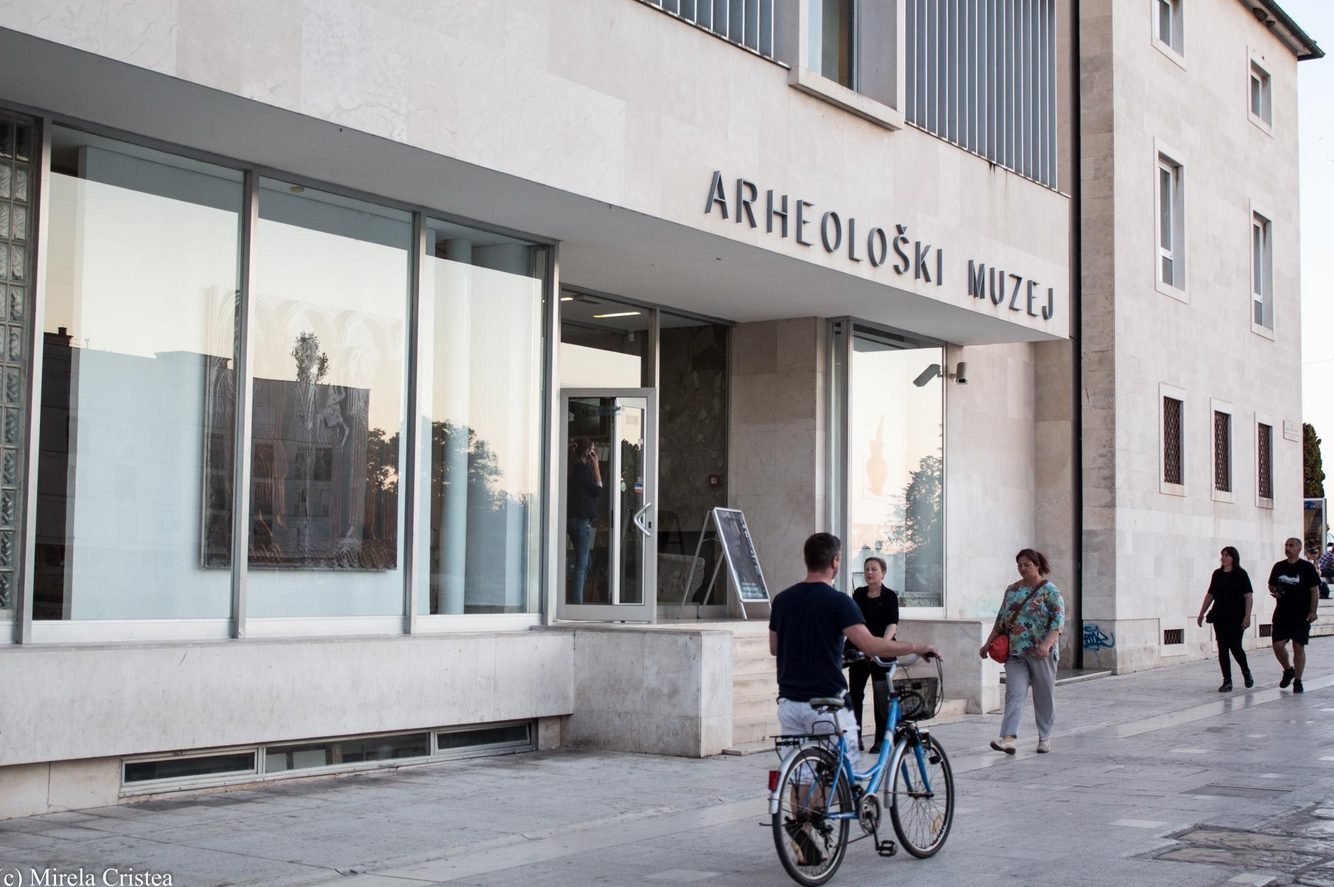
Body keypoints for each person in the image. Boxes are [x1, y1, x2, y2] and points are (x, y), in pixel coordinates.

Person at [769, 533, 938, 770]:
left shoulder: (782, 600)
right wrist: (916, 647)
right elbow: (870, 645)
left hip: (790, 702)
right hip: (827, 704)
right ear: (835, 562)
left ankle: (805, 808)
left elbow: (775, 648)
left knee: (800, 775)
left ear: (807, 559)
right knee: (838, 776)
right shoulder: (839, 601)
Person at [979, 548, 1064, 755]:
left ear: (1037, 565)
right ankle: (1008, 739)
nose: (1022, 568)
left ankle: (1044, 737)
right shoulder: (1012, 590)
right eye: (1019, 565)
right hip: (1016, 652)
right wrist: (987, 644)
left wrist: (1046, 644)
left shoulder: (1050, 591)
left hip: (1041, 653)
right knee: (1014, 694)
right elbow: (1001, 621)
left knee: (1043, 696)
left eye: (1027, 564)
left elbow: (1058, 622)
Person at [848, 556, 898, 753]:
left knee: (881, 696)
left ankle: (880, 740)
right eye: (866, 569)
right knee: (855, 696)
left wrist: (882, 646)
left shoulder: (890, 596)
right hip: (859, 650)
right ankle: (855, 737)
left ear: (883, 573)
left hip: (881, 652)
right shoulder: (858, 594)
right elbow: (853, 621)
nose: (869, 573)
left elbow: (892, 623)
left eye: (874, 569)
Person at [1195, 546, 1254, 692]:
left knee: (1235, 646)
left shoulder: (1241, 574)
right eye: (1222, 555)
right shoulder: (1217, 574)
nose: (1224, 558)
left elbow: (1248, 596)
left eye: (1227, 555)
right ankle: (1227, 680)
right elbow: (1210, 595)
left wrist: (1247, 617)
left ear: (1234, 557)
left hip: (1236, 616)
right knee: (1222, 648)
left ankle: (1246, 672)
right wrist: (1202, 612)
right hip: (1220, 615)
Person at [1267, 536, 1320, 693]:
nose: (1288, 548)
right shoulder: (1279, 566)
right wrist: (1275, 591)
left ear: (1299, 548)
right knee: (1277, 645)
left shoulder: (1306, 568)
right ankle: (1288, 670)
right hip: (1282, 613)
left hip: (1300, 614)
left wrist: (1313, 611)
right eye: (1286, 545)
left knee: (1298, 646)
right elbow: (1271, 584)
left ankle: (1298, 680)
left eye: (1291, 545)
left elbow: (1314, 591)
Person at [567, 437, 602, 604]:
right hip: (581, 521)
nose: (595, 454)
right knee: (582, 564)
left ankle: (574, 598)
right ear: (588, 453)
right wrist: (596, 467)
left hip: (574, 519)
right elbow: (597, 490)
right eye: (593, 450)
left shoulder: (574, 469)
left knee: (587, 562)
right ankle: (577, 604)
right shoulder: (582, 470)